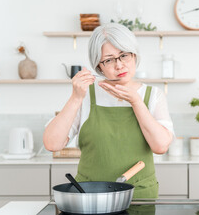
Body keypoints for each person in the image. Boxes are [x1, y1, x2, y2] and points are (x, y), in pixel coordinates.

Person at [43, 23, 174, 198]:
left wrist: (136, 101)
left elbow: (161, 146)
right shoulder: (85, 95)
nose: (119, 65)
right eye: (109, 59)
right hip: (88, 194)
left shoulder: (153, 96)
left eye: (124, 55)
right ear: (99, 66)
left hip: (140, 196)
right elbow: (52, 144)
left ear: (134, 56)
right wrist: (75, 98)